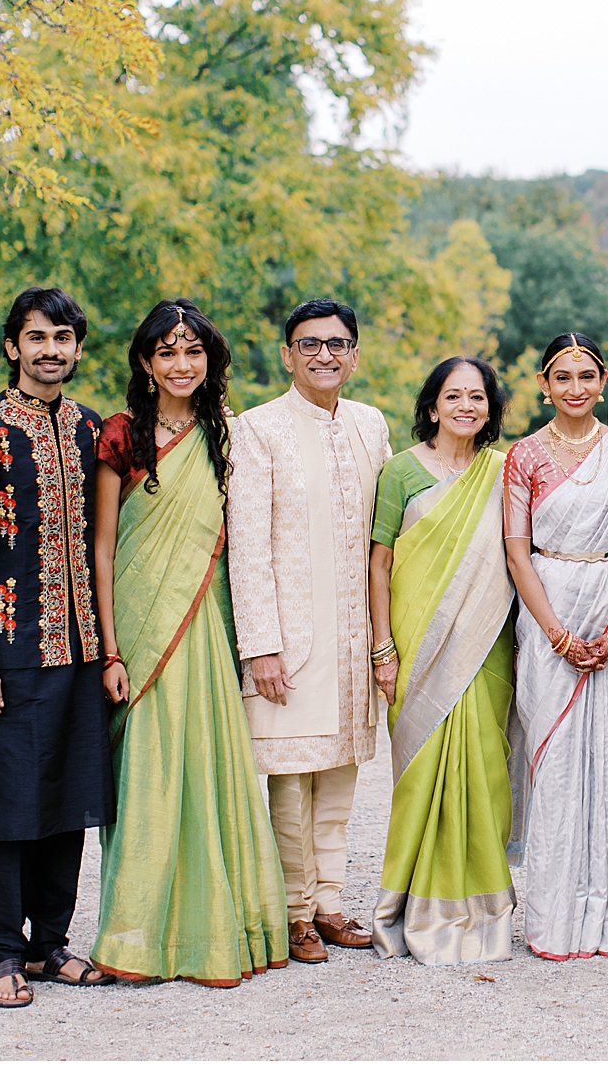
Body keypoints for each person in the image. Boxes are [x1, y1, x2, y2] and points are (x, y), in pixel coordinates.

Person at [89, 300, 291, 986]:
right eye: (167, 352)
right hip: (142, 630)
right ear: (146, 362)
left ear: (211, 360)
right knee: (147, 772)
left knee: (206, 768)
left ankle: (218, 930)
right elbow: (105, 546)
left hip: (202, 623)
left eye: (193, 351)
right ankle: (139, 936)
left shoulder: (226, 435)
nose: (181, 364)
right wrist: (111, 650)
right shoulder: (121, 435)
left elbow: (244, 542)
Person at [0, 285, 114, 1008]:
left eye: (64, 337)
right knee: (9, 804)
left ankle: (50, 945)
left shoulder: (90, 429)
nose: (52, 350)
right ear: (13, 346)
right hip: (7, 655)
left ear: (76, 347)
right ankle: (4, 953)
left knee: (69, 801)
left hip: (78, 653)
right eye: (38, 337)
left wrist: (107, 648)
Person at [225, 298, 392, 965]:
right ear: (288, 354)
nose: (325, 354)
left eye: (338, 343)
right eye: (310, 344)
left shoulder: (369, 424)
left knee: (339, 778)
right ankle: (292, 910)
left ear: (355, 354)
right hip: (289, 640)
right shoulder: (258, 428)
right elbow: (247, 545)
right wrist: (260, 644)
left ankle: (329, 903)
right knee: (290, 780)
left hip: (354, 635)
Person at [504, 333, 608, 961]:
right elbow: (516, 547)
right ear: (544, 384)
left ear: (603, 383)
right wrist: (559, 634)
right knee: (557, 760)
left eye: (586, 377)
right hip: (549, 607)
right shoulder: (524, 456)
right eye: (562, 378)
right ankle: (555, 919)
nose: (575, 389)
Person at [369, 358, 517, 964]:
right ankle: (404, 907)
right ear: (431, 406)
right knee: (420, 773)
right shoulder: (399, 472)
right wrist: (383, 646)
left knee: (484, 767)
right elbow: (378, 564)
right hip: (416, 642)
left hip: (486, 643)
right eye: (453, 396)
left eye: (476, 397)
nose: (465, 407)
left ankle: (486, 912)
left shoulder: (503, 472)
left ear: (489, 408)